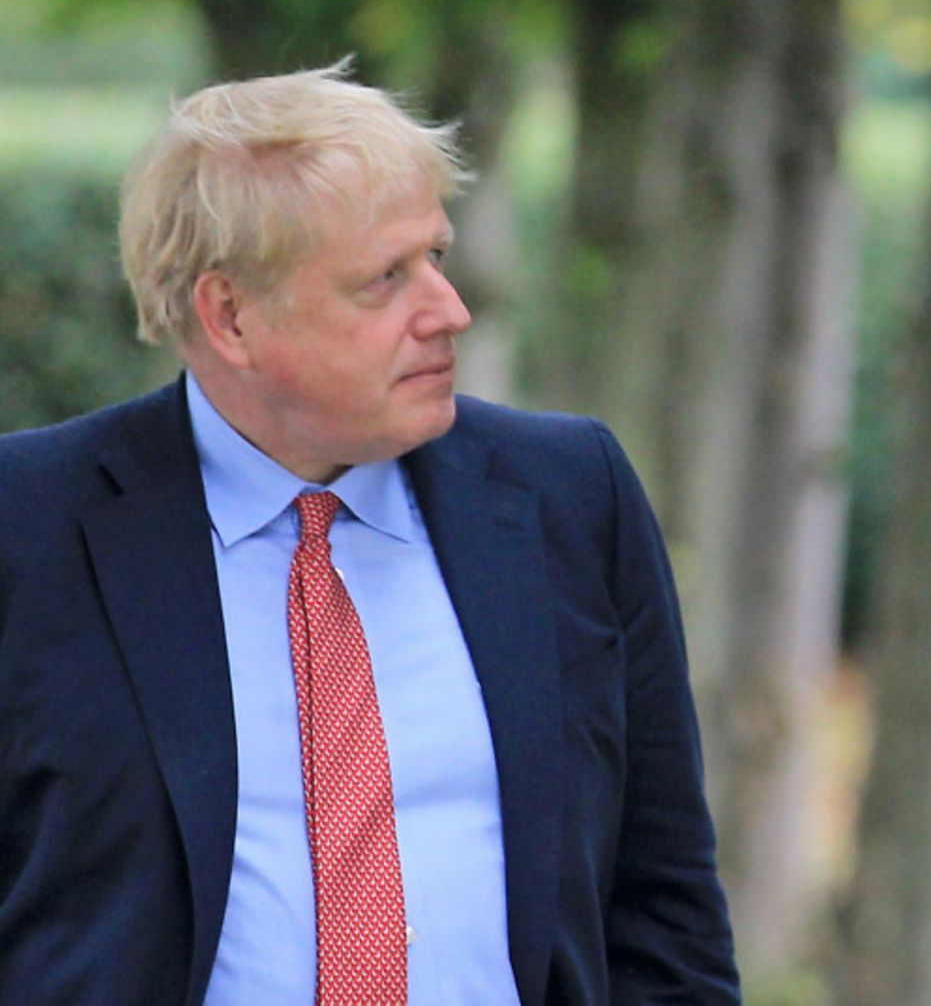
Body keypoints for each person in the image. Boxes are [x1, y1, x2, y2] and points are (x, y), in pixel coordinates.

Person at [0, 63, 739, 1004]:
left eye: (435, 255)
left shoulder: (569, 496)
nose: (448, 311)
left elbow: (663, 905)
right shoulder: (26, 525)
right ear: (229, 315)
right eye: (385, 280)